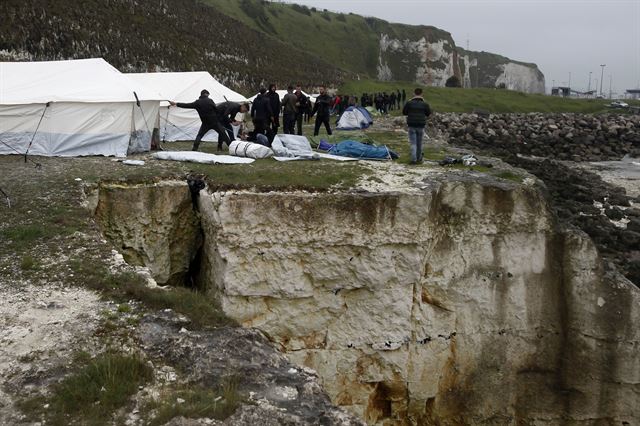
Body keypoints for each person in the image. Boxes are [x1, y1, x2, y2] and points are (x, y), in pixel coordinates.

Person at [402, 88, 432, 164]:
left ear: (414, 93)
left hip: (411, 124)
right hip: (421, 125)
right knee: (419, 143)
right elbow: (428, 113)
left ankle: (413, 159)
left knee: (413, 143)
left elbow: (404, 112)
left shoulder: (409, 103)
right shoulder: (425, 104)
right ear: (422, 94)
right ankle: (419, 158)